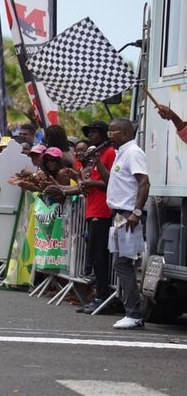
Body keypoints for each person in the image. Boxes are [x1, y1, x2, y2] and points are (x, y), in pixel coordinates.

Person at [94, 118, 149, 329]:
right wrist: (98, 161)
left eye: (112, 131)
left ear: (125, 133)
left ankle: (134, 314)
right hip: (120, 215)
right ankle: (132, 313)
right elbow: (112, 181)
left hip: (128, 215)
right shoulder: (121, 153)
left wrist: (136, 212)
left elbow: (144, 183)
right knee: (121, 263)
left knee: (123, 262)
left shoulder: (133, 152)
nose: (109, 135)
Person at [77, 121, 115, 314]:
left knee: (99, 257)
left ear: (103, 134)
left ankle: (102, 297)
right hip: (92, 210)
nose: (90, 136)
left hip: (102, 211)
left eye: (94, 132)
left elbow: (110, 182)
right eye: (89, 132)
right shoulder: (95, 157)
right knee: (94, 255)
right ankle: (99, 296)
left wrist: (92, 180)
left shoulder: (108, 153)